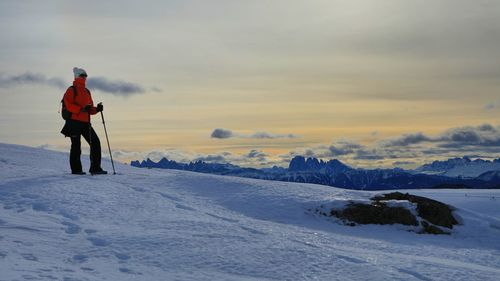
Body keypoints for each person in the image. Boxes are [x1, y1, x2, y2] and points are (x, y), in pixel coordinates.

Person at [61, 67, 107, 175]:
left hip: (85, 122)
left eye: (85, 75)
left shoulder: (87, 91)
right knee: (76, 146)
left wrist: (97, 109)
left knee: (95, 143)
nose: (85, 77)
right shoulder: (71, 90)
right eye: (82, 75)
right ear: (77, 76)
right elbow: (68, 105)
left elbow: (89, 109)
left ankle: (95, 168)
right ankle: (77, 170)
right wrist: (81, 109)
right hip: (73, 122)